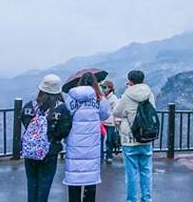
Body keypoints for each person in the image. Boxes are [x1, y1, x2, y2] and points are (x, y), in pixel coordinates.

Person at [21, 74, 72, 202]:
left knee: (32, 183)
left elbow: (25, 123)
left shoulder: (29, 107)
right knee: (44, 184)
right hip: (50, 151)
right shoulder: (61, 109)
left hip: (30, 151)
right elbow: (64, 131)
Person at [63, 72, 110, 202]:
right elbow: (105, 115)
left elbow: (66, 114)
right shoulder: (99, 98)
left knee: (74, 177)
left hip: (74, 142)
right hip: (92, 142)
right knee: (90, 177)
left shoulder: (71, 98)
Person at [113, 70, 155, 202]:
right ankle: (146, 199)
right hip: (146, 137)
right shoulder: (149, 93)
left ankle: (131, 199)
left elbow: (117, 112)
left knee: (131, 173)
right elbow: (152, 108)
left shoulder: (127, 95)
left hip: (129, 139)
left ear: (130, 80)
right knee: (146, 171)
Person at [101, 80, 119, 164]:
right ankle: (100, 156)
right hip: (102, 121)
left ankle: (109, 156)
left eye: (104, 87)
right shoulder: (102, 97)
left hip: (110, 122)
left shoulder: (114, 98)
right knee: (100, 139)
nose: (103, 89)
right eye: (102, 87)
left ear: (110, 88)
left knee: (109, 140)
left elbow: (116, 110)